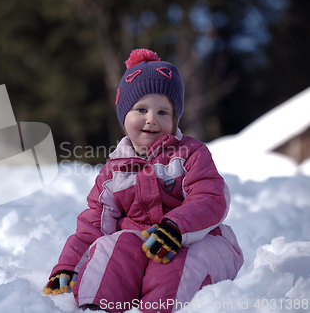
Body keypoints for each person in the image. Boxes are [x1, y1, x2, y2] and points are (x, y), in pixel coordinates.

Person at [43, 49, 244, 313]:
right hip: (141, 248)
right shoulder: (114, 172)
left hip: (196, 239)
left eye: (163, 112)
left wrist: (175, 227)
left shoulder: (190, 154)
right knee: (113, 246)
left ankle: (160, 308)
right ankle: (97, 307)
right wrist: (69, 266)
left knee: (176, 262)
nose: (152, 119)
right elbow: (93, 225)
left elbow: (210, 197)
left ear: (174, 121)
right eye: (141, 109)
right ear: (124, 117)